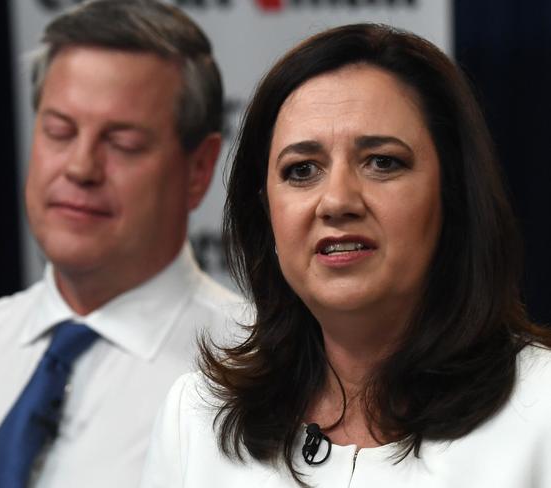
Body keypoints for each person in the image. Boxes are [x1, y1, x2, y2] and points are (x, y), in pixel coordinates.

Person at [140, 23, 551, 488]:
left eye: (382, 162)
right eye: (301, 170)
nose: (336, 201)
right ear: (266, 211)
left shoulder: (543, 412)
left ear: (454, 194)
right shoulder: (196, 421)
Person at [0, 1, 245, 487]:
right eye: (59, 132)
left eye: (122, 143)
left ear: (199, 170)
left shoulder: (258, 377)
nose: (80, 168)